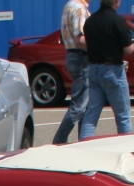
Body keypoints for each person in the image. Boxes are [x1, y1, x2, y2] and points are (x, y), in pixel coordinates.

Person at [77, 0, 134, 139]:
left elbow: (86, 43)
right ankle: (126, 147)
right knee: (123, 116)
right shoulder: (117, 20)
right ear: (116, 2)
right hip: (113, 70)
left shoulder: (90, 21)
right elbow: (129, 48)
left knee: (91, 115)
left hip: (94, 69)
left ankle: (85, 146)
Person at [51, 0, 94, 143]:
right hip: (81, 56)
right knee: (79, 105)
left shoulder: (69, 5)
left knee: (85, 104)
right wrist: (98, 49)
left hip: (73, 55)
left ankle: (84, 139)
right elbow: (80, 39)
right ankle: (59, 140)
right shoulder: (79, 9)